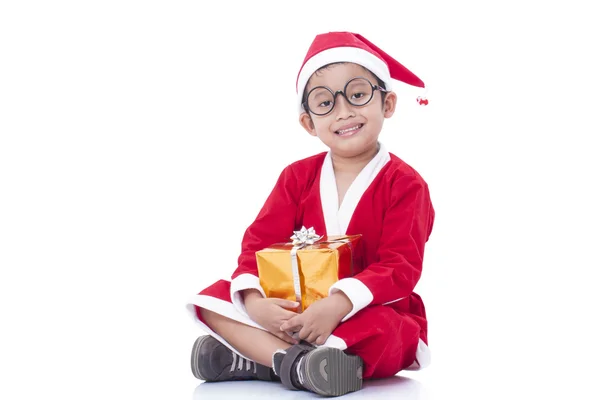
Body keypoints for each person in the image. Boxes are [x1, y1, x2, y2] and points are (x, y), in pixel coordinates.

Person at [186, 31, 435, 397]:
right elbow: (258, 243)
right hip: (294, 311)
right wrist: (257, 305)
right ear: (308, 123)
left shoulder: (406, 183)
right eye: (325, 103)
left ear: (388, 103)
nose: (344, 111)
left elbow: (401, 266)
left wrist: (338, 304)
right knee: (213, 300)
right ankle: (300, 365)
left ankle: (259, 359)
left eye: (358, 94)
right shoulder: (296, 177)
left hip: (363, 313)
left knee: (388, 329)